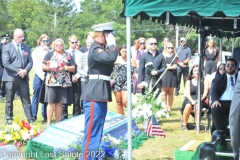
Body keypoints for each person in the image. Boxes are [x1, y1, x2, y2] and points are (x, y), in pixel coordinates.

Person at [80, 22, 118, 160]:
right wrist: (112, 45)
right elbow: (111, 57)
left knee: (97, 131)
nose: (112, 39)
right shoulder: (96, 49)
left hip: (100, 94)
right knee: (91, 133)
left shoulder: (101, 48)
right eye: (110, 35)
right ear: (103, 35)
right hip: (94, 95)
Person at [2, 29, 34, 125]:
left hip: (23, 77)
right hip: (10, 78)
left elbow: (30, 61)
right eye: (19, 37)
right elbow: (6, 63)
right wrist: (18, 71)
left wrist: (25, 71)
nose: (20, 39)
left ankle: (30, 119)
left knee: (26, 99)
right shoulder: (7, 47)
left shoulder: (26, 47)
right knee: (9, 99)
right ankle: (9, 119)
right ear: (14, 36)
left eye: (22, 37)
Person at [42, 38, 75, 127]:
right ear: (54, 46)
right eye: (57, 45)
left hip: (63, 83)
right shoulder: (49, 54)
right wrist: (50, 68)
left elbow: (73, 67)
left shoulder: (68, 55)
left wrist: (65, 68)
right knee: (50, 102)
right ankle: (48, 123)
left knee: (59, 103)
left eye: (61, 45)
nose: (59, 47)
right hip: (52, 82)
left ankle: (57, 122)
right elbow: (43, 66)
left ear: (64, 46)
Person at [211, 58, 237, 132]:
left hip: (236, 103)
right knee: (215, 108)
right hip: (222, 103)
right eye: (227, 65)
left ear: (235, 67)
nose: (229, 67)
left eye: (232, 65)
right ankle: (220, 133)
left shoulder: (239, 77)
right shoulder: (220, 77)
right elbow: (214, 90)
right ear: (225, 67)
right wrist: (215, 100)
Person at [181, 65, 209, 131]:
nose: (197, 72)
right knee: (188, 105)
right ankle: (184, 124)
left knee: (197, 105)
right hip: (190, 98)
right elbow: (188, 94)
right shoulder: (188, 82)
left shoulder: (205, 81)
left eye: (198, 70)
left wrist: (200, 99)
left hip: (201, 99)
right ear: (192, 72)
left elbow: (205, 92)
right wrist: (192, 101)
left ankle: (197, 125)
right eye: (195, 70)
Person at [61, 35, 83, 120]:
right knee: (65, 97)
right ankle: (64, 117)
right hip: (67, 77)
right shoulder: (65, 53)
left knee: (77, 98)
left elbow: (81, 67)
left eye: (76, 42)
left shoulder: (80, 54)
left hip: (77, 77)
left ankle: (76, 115)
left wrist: (76, 76)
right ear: (69, 43)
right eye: (72, 42)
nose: (74, 44)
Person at [111, 44, 137, 114]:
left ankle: (131, 115)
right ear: (120, 51)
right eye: (123, 51)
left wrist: (139, 82)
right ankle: (121, 117)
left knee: (125, 101)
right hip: (117, 81)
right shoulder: (115, 59)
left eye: (126, 51)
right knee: (119, 101)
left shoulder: (132, 60)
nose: (124, 53)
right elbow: (112, 70)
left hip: (127, 81)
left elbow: (135, 72)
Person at [31, 34, 50, 122]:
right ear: (40, 41)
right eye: (43, 41)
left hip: (47, 76)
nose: (45, 43)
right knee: (36, 96)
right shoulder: (36, 52)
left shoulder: (49, 51)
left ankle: (45, 115)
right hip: (39, 76)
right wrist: (42, 77)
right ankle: (33, 116)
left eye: (47, 41)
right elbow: (35, 66)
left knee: (46, 97)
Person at [161, 42, 180, 112]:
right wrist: (168, 66)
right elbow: (163, 66)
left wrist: (169, 66)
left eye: (172, 48)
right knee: (164, 92)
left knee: (171, 92)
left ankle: (170, 107)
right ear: (166, 48)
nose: (170, 49)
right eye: (169, 47)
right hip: (165, 75)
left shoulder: (175, 56)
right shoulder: (163, 55)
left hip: (172, 75)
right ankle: (164, 106)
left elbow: (175, 66)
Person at [0, 33, 9, 99]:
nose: (7, 40)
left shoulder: (8, 46)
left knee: (6, 80)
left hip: (7, 66)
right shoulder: (0, 45)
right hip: (0, 66)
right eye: (6, 39)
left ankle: (3, 93)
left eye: (8, 39)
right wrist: (1, 43)